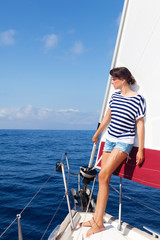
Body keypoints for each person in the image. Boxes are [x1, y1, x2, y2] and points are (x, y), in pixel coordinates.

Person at [79, 67, 146, 237]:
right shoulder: (115, 96)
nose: (112, 82)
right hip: (110, 140)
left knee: (102, 177)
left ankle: (99, 223)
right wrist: (97, 133)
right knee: (104, 177)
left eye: (114, 79)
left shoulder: (138, 99)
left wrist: (142, 150)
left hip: (124, 142)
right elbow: (107, 117)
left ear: (123, 79)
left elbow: (139, 124)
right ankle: (96, 219)